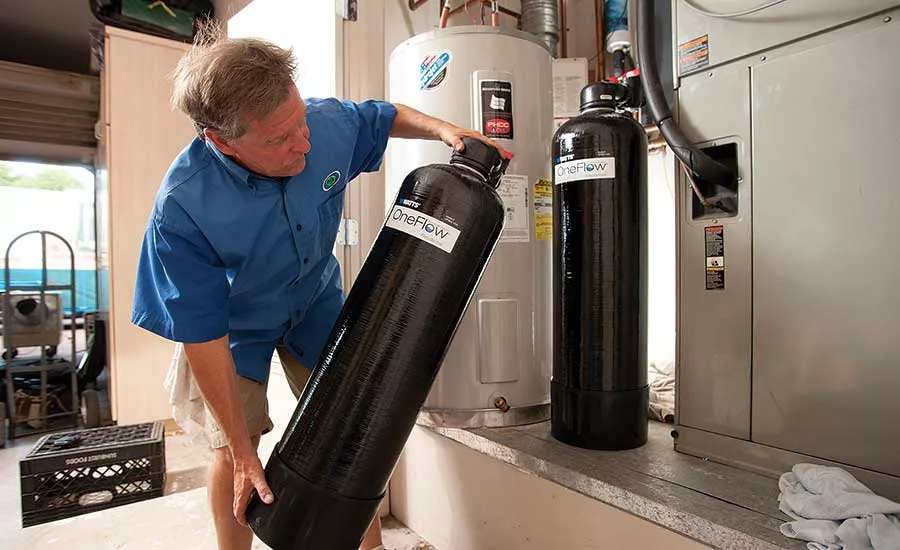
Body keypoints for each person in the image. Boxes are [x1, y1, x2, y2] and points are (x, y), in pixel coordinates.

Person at [130, 31, 505, 550]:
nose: (303, 143)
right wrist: (242, 451)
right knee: (234, 450)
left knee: (352, 428)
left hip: (312, 301)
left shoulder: (321, 125)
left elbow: (381, 116)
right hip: (233, 326)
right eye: (279, 140)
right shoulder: (183, 209)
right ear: (221, 140)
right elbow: (201, 333)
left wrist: (441, 127)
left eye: (299, 122)